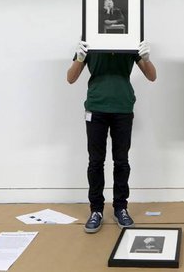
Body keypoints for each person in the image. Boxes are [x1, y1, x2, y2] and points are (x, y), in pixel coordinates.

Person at [67, 39, 157, 233]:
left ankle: (120, 208)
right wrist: (80, 57)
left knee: (121, 161)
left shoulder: (130, 40)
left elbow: (152, 76)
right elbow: (71, 78)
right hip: (96, 107)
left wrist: (145, 58)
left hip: (122, 107)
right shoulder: (90, 39)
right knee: (96, 162)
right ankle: (96, 210)